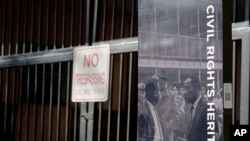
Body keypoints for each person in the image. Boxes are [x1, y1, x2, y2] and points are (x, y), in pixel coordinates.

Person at [183, 76, 219, 141]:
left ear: (197, 88)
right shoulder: (188, 108)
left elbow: (214, 136)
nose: (184, 92)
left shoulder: (208, 107)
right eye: (184, 88)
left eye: (187, 88)